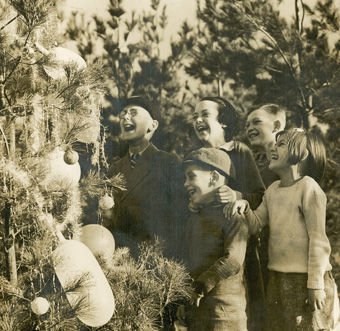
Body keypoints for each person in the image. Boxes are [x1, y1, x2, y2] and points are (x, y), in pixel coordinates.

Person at [228, 128, 339, 331]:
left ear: (302, 155)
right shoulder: (273, 190)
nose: (273, 148)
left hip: (306, 280)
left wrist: (315, 284)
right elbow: (255, 224)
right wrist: (243, 205)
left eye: (281, 144)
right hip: (278, 278)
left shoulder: (308, 188)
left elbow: (318, 240)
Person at [192, 96, 265, 330]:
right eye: (194, 117)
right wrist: (193, 202)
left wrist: (237, 196)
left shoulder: (239, 152)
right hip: (205, 248)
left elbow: (260, 197)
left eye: (204, 114)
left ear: (223, 122)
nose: (198, 120)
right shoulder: (196, 157)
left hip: (237, 247)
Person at [105, 96, 187, 259]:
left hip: (155, 259)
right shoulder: (114, 169)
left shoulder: (169, 162)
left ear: (153, 125)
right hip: (118, 259)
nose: (125, 117)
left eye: (133, 112)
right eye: (123, 114)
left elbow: (180, 219)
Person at [177, 147, 248, 330]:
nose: (185, 184)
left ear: (214, 178)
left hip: (224, 316)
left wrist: (199, 287)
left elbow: (232, 260)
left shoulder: (232, 214)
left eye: (191, 176)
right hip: (197, 313)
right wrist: (183, 299)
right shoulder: (195, 217)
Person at [246, 104, 286, 187]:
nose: (249, 129)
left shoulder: (289, 159)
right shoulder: (253, 161)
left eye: (257, 122)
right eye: (247, 126)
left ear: (276, 126)